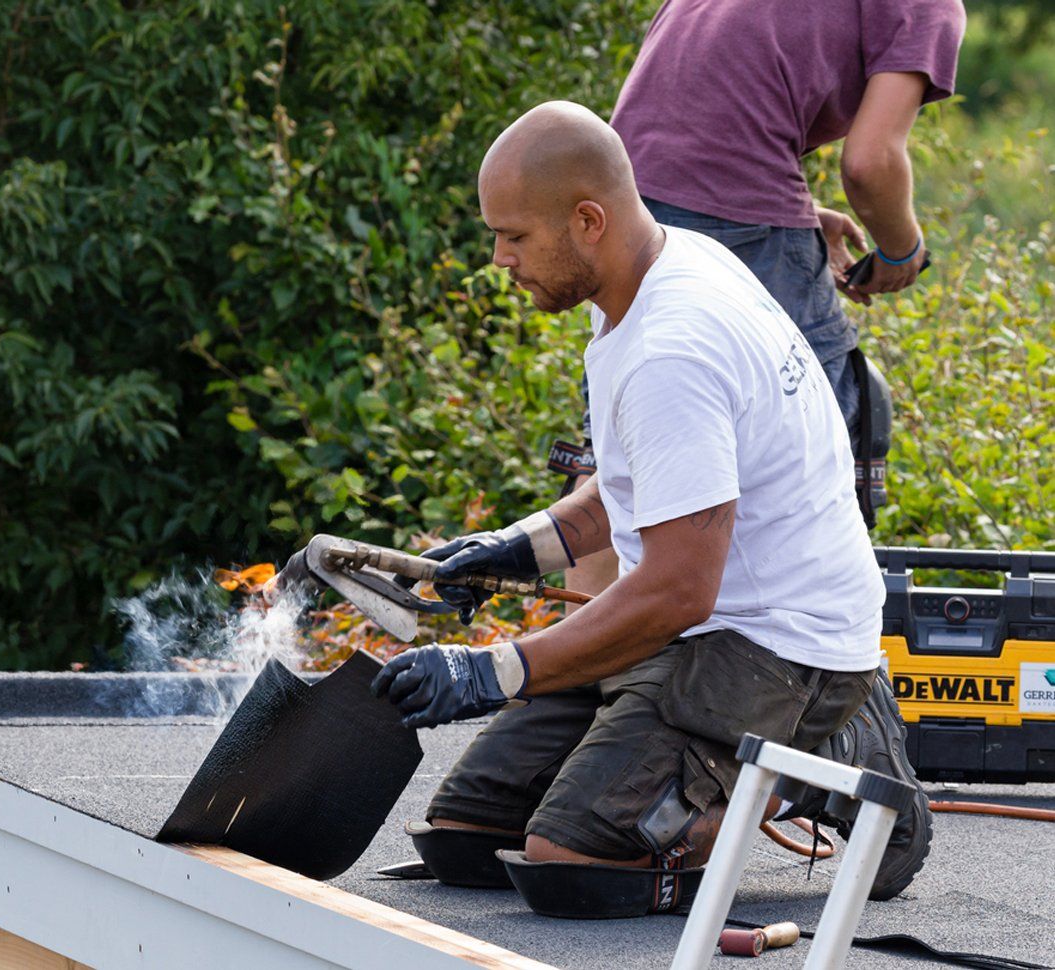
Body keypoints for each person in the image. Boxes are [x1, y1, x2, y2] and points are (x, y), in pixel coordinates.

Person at [373, 101, 927, 918]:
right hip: (686, 633)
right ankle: (724, 756)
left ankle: (826, 758)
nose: (499, 259)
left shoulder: (672, 348)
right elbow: (652, 483)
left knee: (568, 865)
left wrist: (489, 671)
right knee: (464, 837)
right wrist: (516, 548)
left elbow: (676, 591)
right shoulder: (658, 268)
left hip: (778, 648)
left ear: (586, 220)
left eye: (513, 237)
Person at [559, 0, 966, 597]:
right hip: (729, 197)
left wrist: (796, 212)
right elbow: (870, 163)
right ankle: (805, 635)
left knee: (621, 446)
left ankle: (584, 643)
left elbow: (701, 103)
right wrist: (903, 251)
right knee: (816, 423)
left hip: (626, 196)